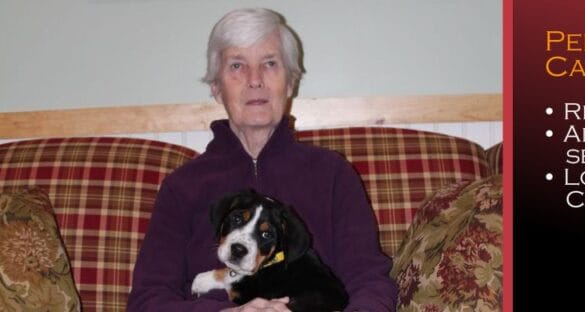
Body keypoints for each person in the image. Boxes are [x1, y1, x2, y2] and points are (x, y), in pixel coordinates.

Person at [127, 8, 397, 312]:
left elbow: (370, 281)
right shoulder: (182, 187)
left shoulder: (333, 174)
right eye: (237, 66)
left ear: (291, 82)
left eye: (269, 64)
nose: (255, 80)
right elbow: (147, 301)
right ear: (216, 87)